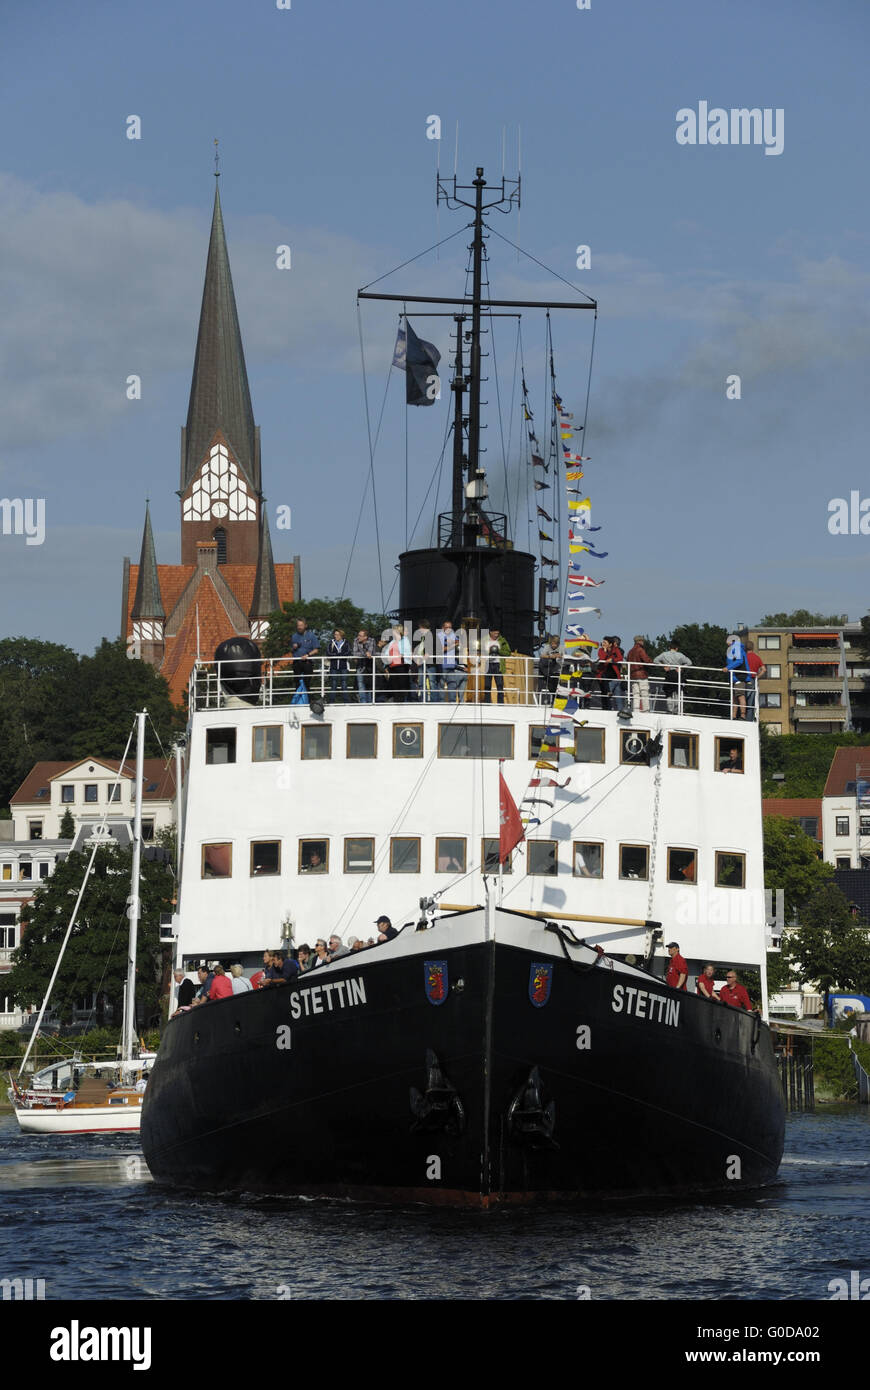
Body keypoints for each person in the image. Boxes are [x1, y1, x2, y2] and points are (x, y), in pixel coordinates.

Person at [653, 642, 692, 713]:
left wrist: (663, 666)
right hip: (677, 674)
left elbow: (655, 660)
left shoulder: (664, 654)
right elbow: (689, 662)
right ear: (676, 648)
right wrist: (681, 667)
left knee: (668, 692)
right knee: (677, 691)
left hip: (669, 674)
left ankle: (670, 709)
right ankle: (676, 709)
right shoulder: (680, 655)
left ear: (669, 648)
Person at [436, 621, 465, 703]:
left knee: (452, 685)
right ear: (443, 628)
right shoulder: (439, 636)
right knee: (441, 685)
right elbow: (441, 649)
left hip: (452, 665)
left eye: (450, 627)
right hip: (442, 665)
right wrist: (454, 644)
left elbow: (460, 644)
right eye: (446, 627)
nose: (448, 629)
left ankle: (452, 702)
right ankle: (441, 703)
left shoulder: (453, 635)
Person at [291, 618, 320, 698]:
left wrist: (307, 655)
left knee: (307, 682)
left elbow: (316, 650)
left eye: (301, 625)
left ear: (305, 626)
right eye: (298, 625)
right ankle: (298, 701)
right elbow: (291, 650)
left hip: (307, 662)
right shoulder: (294, 636)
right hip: (297, 662)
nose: (299, 627)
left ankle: (308, 700)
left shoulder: (312, 636)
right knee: (297, 683)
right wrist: (294, 648)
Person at [724, 634, 751, 720]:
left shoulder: (736, 648)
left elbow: (739, 661)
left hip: (739, 677)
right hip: (735, 677)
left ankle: (742, 715)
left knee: (740, 696)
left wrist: (727, 668)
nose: (726, 642)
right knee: (735, 698)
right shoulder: (737, 648)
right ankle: (734, 716)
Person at [483, 627, 510, 705]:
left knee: (500, 685)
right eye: (495, 633)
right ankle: (487, 703)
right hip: (488, 665)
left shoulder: (502, 640)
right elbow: (480, 651)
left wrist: (498, 650)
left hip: (498, 665)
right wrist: (488, 651)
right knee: (487, 685)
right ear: (490, 632)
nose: (496, 635)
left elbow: (508, 653)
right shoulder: (484, 640)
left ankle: (500, 703)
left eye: (497, 634)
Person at [625, 636, 652, 713]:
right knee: (644, 693)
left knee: (635, 694)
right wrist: (651, 662)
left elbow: (627, 663)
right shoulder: (640, 650)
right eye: (642, 641)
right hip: (642, 674)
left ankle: (635, 710)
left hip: (633, 675)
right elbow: (646, 660)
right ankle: (646, 710)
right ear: (640, 641)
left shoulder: (630, 651)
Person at [327, 629, 352, 701]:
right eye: (335, 634)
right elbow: (328, 653)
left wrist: (338, 655)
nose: (336, 636)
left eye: (338, 634)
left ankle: (346, 701)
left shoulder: (346, 643)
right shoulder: (331, 643)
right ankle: (331, 701)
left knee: (344, 683)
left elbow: (348, 652)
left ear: (341, 635)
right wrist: (337, 654)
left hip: (343, 665)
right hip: (333, 666)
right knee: (333, 684)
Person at [744, 640, 766, 720]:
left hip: (744, 679)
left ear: (745, 648)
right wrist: (757, 677)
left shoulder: (744, 657)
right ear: (753, 648)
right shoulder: (757, 658)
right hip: (753, 679)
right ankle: (749, 720)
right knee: (751, 701)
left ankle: (742, 716)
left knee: (742, 698)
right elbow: (764, 669)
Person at [538, 635, 562, 705]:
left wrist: (559, 656)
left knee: (556, 687)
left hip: (558, 671)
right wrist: (551, 656)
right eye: (552, 643)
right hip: (550, 671)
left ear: (558, 644)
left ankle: (556, 702)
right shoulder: (547, 647)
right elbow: (542, 656)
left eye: (555, 644)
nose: (553, 645)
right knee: (551, 687)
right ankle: (555, 701)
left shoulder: (562, 648)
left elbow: (564, 656)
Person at [353, 628, 376, 704]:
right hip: (360, 665)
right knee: (360, 684)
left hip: (369, 666)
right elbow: (355, 653)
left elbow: (372, 652)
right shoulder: (356, 640)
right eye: (358, 635)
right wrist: (365, 654)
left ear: (365, 637)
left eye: (360, 635)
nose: (358, 637)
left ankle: (369, 702)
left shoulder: (371, 640)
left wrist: (366, 654)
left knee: (369, 685)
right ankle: (363, 702)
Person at [413, 620, 433, 702]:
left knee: (432, 682)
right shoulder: (423, 637)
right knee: (421, 682)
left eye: (420, 628)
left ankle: (433, 700)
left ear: (423, 627)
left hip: (430, 663)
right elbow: (420, 649)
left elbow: (432, 648)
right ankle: (423, 699)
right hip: (422, 663)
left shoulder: (432, 635)